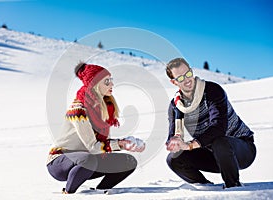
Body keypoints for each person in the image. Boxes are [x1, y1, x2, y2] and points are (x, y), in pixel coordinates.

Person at [46, 62, 145, 194]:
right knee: (88, 160)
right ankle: (69, 193)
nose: (112, 84)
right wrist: (119, 144)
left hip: (87, 160)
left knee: (128, 161)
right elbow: (93, 146)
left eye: (111, 80)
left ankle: (100, 192)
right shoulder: (78, 110)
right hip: (60, 161)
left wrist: (125, 143)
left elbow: (99, 146)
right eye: (107, 81)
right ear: (95, 84)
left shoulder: (104, 108)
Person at [165, 58, 256, 188]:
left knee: (220, 141)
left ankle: (233, 186)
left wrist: (190, 145)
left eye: (188, 74)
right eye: (180, 78)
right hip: (213, 153)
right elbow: (173, 135)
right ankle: (207, 188)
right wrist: (174, 143)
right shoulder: (176, 106)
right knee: (174, 158)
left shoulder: (212, 90)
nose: (187, 80)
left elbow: (219, 127)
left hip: (242, 150)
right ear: (174, 82)